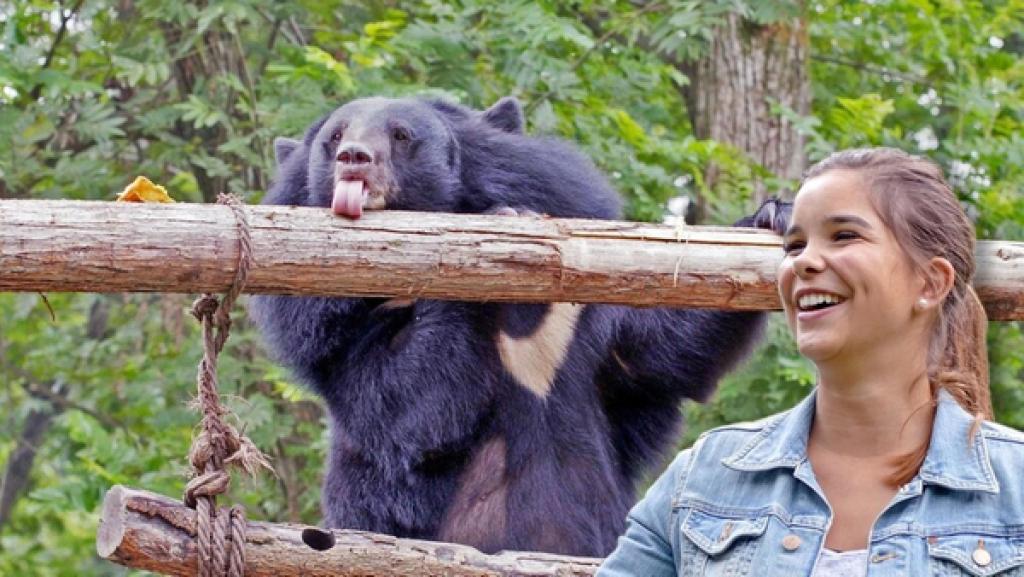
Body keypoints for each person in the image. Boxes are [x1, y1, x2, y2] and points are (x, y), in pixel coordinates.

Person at [597, 147, 1024, 577]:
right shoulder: (704, 477)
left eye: (844, 236)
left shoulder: (1016, 487)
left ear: (931, 283)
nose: (803, 261)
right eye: (795, 244)